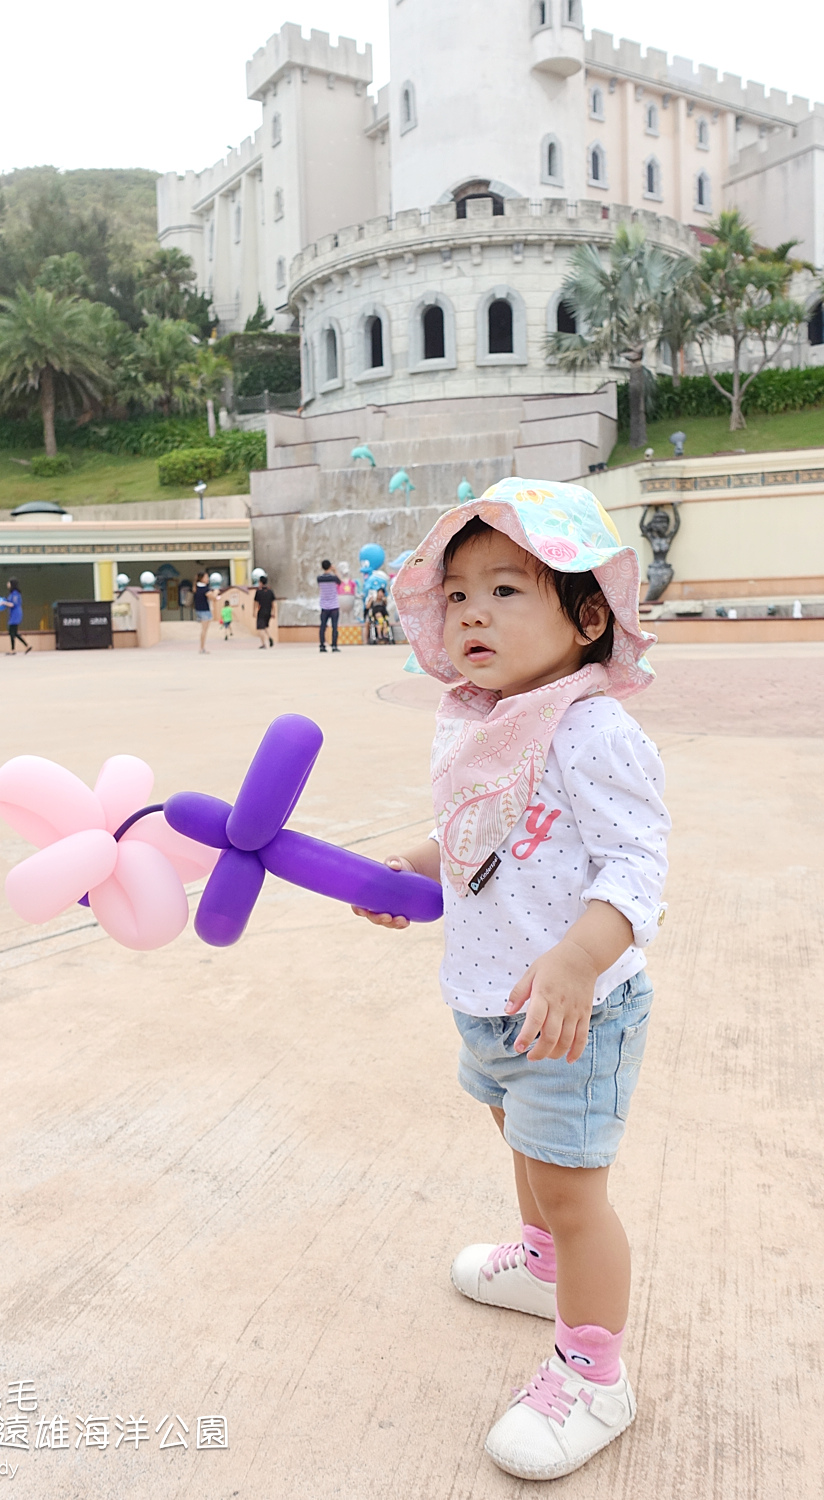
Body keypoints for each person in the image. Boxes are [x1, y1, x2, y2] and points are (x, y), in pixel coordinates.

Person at [353, 481, 669, 1481]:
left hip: (575, 1011)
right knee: (524, 1154)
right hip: (491, 1006)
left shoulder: (591, 730)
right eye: (455, 597)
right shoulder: (482, 717)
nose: (471, 613)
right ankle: (541, 1265)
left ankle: (594, 1372)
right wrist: (415, 865)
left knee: (578, 1196)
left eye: (503, 590)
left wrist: (577, 960)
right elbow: (475, 834)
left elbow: (633, 869)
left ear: (586, 618)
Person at [317, 559, 340, 653]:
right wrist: (335, 571)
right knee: (334, 627)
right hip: (334, 605)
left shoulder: (319, 578)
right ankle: (334, 646)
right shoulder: (333, 578)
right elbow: (340, 582)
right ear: (330, 566)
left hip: (324, 605)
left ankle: (322, 645)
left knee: (323, 626)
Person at [3, 578, 31, 654]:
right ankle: (26, 646)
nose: (7, 584)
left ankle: (13, 649)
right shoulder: (12, 594)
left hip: (15, 614)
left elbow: (13, 604)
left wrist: (4, 603)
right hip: (13, 614)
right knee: (13, 632)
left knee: (12, 631)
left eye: (8, 583)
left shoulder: (15, 594)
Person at [193, 570, 213, 654]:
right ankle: (202, 648)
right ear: (201, 578)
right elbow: (213, 597)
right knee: (204, 630)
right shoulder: (204, 588)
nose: (208, 579)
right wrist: (216, 592)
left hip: (199, 610)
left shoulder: (196, 588)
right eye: (206, 577)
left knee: (204, 630)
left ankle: (202, 647)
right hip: (204, 610)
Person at [254, 576, 275, 649]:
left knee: (261, 628)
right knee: (265, 627)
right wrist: (273, 612)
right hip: (268, 612)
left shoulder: (258, 592)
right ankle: (269, 637)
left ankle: (264, 644)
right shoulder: (270, 591)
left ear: (260, 582)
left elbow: (256, 603)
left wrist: (254, 611)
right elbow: (273, 603)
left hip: (261, 611)